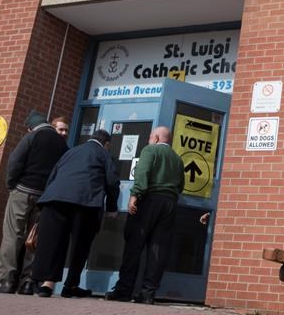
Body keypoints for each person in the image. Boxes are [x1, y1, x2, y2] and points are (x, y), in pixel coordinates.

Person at [0, 110, 68, 295]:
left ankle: (4, 281)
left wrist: (11, 185)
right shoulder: (61, 143)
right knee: (33, 239)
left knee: (12, 235)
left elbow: (15, 161)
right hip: (44, 195)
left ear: (30, 127)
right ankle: (28, 282)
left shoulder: (33, 136)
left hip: (22, 191)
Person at [30, 129, 119, 298]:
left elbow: (53, 175)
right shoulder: (103, 153)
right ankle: (70, 285)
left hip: (55, 199)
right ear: (106, 144)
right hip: (85, 202)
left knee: (54, 242)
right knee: (80, 245)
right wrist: (112, 207)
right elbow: (112, 181)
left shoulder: (71, 151)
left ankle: (47, 285)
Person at [106, 126, 184, 304]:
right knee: (158, 249)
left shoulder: (150, 150)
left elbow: (142, 172)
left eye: (150, 136)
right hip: (169, 203)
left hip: (149, 200)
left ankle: (124, 291)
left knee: (134, 245)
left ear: (156, 138)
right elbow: (180, 185)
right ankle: (147, 293)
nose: (148, 140)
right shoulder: (177, 159)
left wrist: (135, 195)